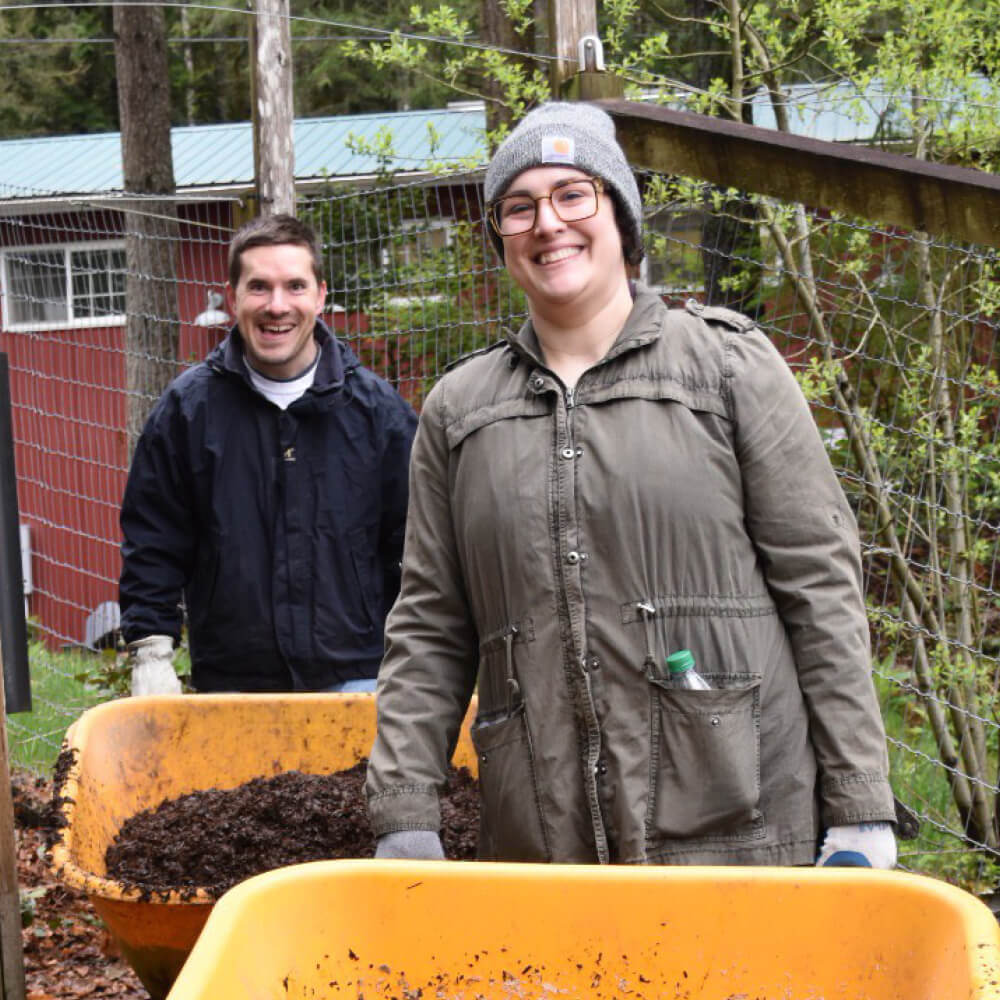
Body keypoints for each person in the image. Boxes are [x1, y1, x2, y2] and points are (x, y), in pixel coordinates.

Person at [366, 102, 898, 868]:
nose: (548, 223)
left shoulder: (727, 370)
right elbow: (429, 624)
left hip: (741, 835)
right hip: (545, 845)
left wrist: (859, 805)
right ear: (500, 238)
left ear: (621, 215)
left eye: (573, 194)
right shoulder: (460, 411)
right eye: (519, 207)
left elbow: (821, 587)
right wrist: (405, 810)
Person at [119, 214, 417, 695]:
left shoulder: (379, 416)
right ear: (232, 296)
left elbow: (416, 547)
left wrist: (418, 659)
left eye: (294, 287)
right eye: (259, 287)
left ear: (320, 295)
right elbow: (154, 540)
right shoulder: (187, 412)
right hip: (233, 686)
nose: (277, 306)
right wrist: (152, 650)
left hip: (359, 680)